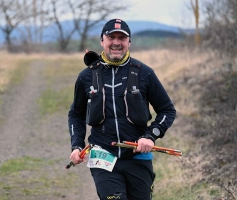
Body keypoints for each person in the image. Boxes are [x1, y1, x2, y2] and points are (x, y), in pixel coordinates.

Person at [68, 18, 176, 200]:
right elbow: (76, 114)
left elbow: (167, 110)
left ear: (129, 43)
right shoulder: (86, 76)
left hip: (138, 158)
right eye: (111, 37)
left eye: (122, 38)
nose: (116, 42)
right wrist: (76, 145)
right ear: (102, 41)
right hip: (103, 156)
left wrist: (150, 136)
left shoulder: (145, 73)